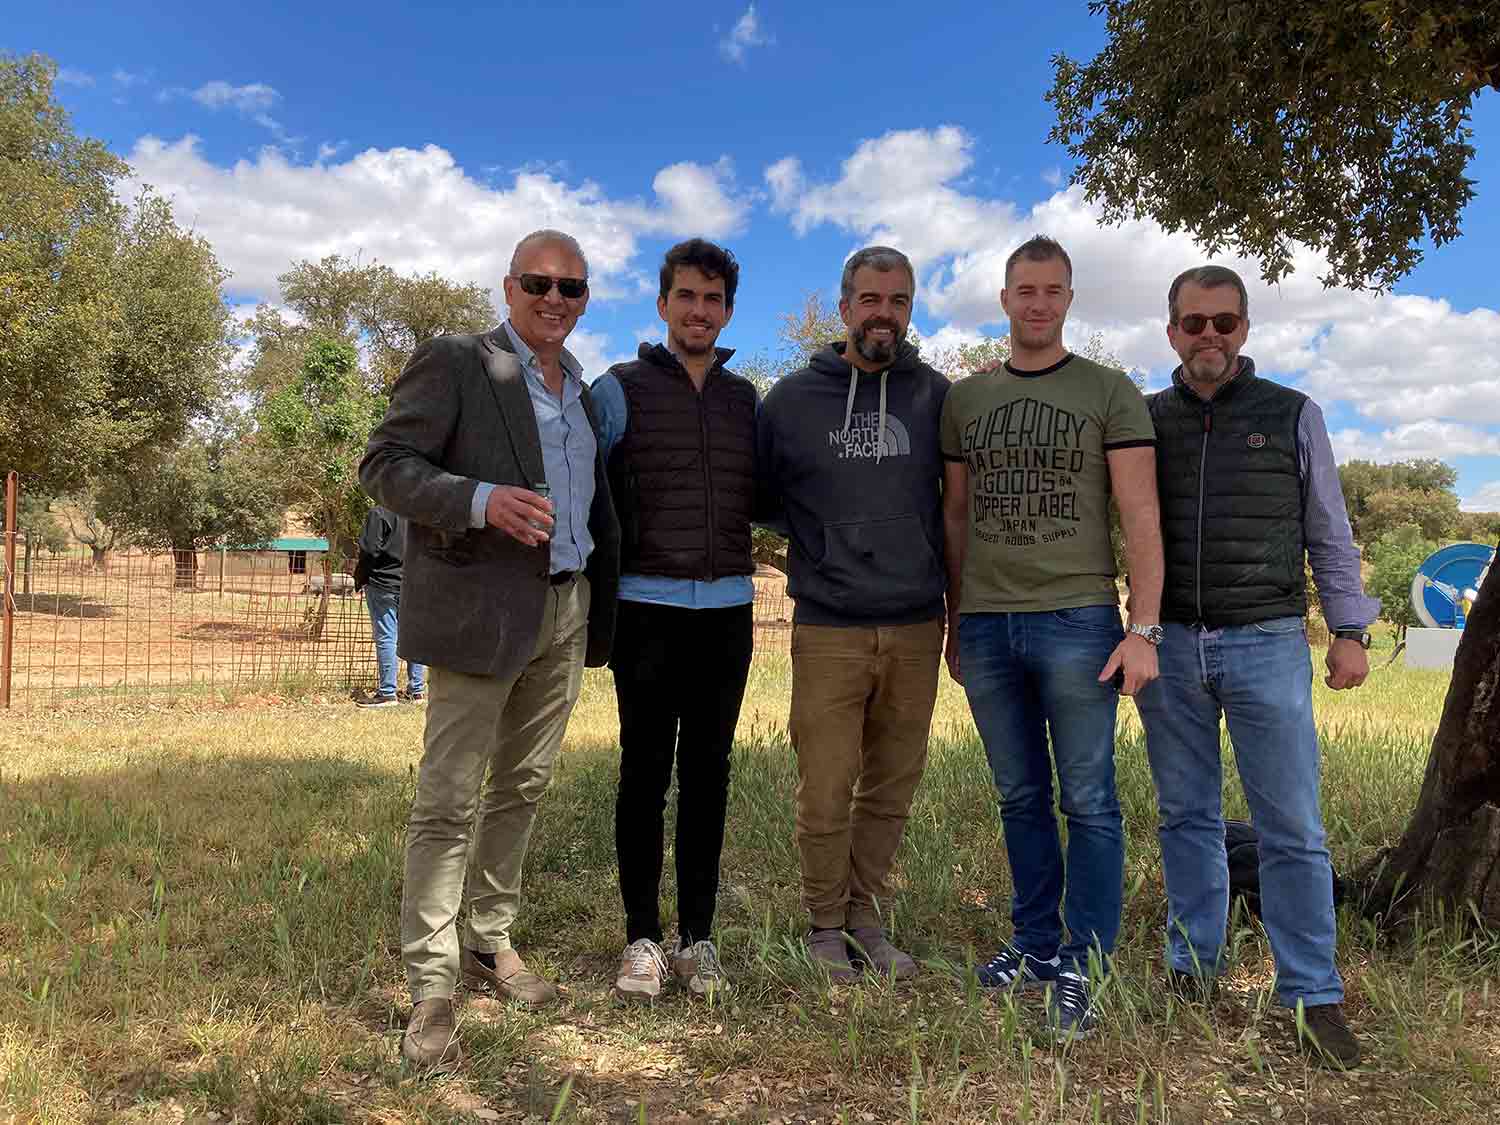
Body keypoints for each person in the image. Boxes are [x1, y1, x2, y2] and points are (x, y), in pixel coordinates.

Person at [359, 229, 620, 1070]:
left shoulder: (581, 389)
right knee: (448, 799)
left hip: (566, 605)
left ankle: (488, 939)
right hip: (481, 610)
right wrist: (477, 500)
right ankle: (432, 984)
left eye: (571, 288)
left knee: (525, 785)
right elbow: (385, 465)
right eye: (539, 283)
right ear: (509, 287)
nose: (555, 299)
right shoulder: (458, 361)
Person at [1134, 264, 1378, 1069]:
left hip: (1268, 639)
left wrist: (1349, 626)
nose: (1210, 336)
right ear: (1171, 330)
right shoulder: (1143, 420)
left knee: (1294, 827)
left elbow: (1329, 530)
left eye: (1225, 323)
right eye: (1194, 322)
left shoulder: (1293, 413)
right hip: (1169, 644)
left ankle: (1313, 992)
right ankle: (1192, 969)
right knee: (1186, 816)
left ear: (1245, 330)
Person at [940, 235, 1163, 1037]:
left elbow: (1140, 513)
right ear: (1004, 299)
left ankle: (1086, 958)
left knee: (1090, 797)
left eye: (1052, 291)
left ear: (1069, 300)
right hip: (989, 624)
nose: (1038, 303)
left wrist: (1144, 627)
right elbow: (956, 517)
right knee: (1019, 794)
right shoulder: (965, 401)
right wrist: (954, 620)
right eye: (1024, 290)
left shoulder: (1109, 391)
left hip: (1080, 618)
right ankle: (1035, 944)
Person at [757, 246, 950, 982]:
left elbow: (953, 505)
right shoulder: (791, 402)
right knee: (827, 782)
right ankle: (824, 924)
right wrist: (824, 545)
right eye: (871, 299)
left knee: (893, 781)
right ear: (844, 309)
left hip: (914, 624)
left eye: (899, 300)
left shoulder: (934, 395)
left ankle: (865, 914)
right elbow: (764, 502)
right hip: (829, 624)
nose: (885, 314)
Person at [589, 239, 758, 1001]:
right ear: (662, 305)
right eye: (686, 295)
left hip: (727, 613)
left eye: (713, 299)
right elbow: (572, 475)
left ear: (727, 310)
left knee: (710, 777)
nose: (699, 310)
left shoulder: (744, 398)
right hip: (646, 611)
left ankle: (698, 940)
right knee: (644, 772)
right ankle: (641, 939)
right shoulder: (617, 390)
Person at [353, 504, 426, 706]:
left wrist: (360, 578)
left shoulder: (379, 513)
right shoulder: (415, 512)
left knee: (387, 636)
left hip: (382, 584)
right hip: (413, 584)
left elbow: (369, 550)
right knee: (414, 636)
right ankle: (417, 691)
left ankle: (387, 693)